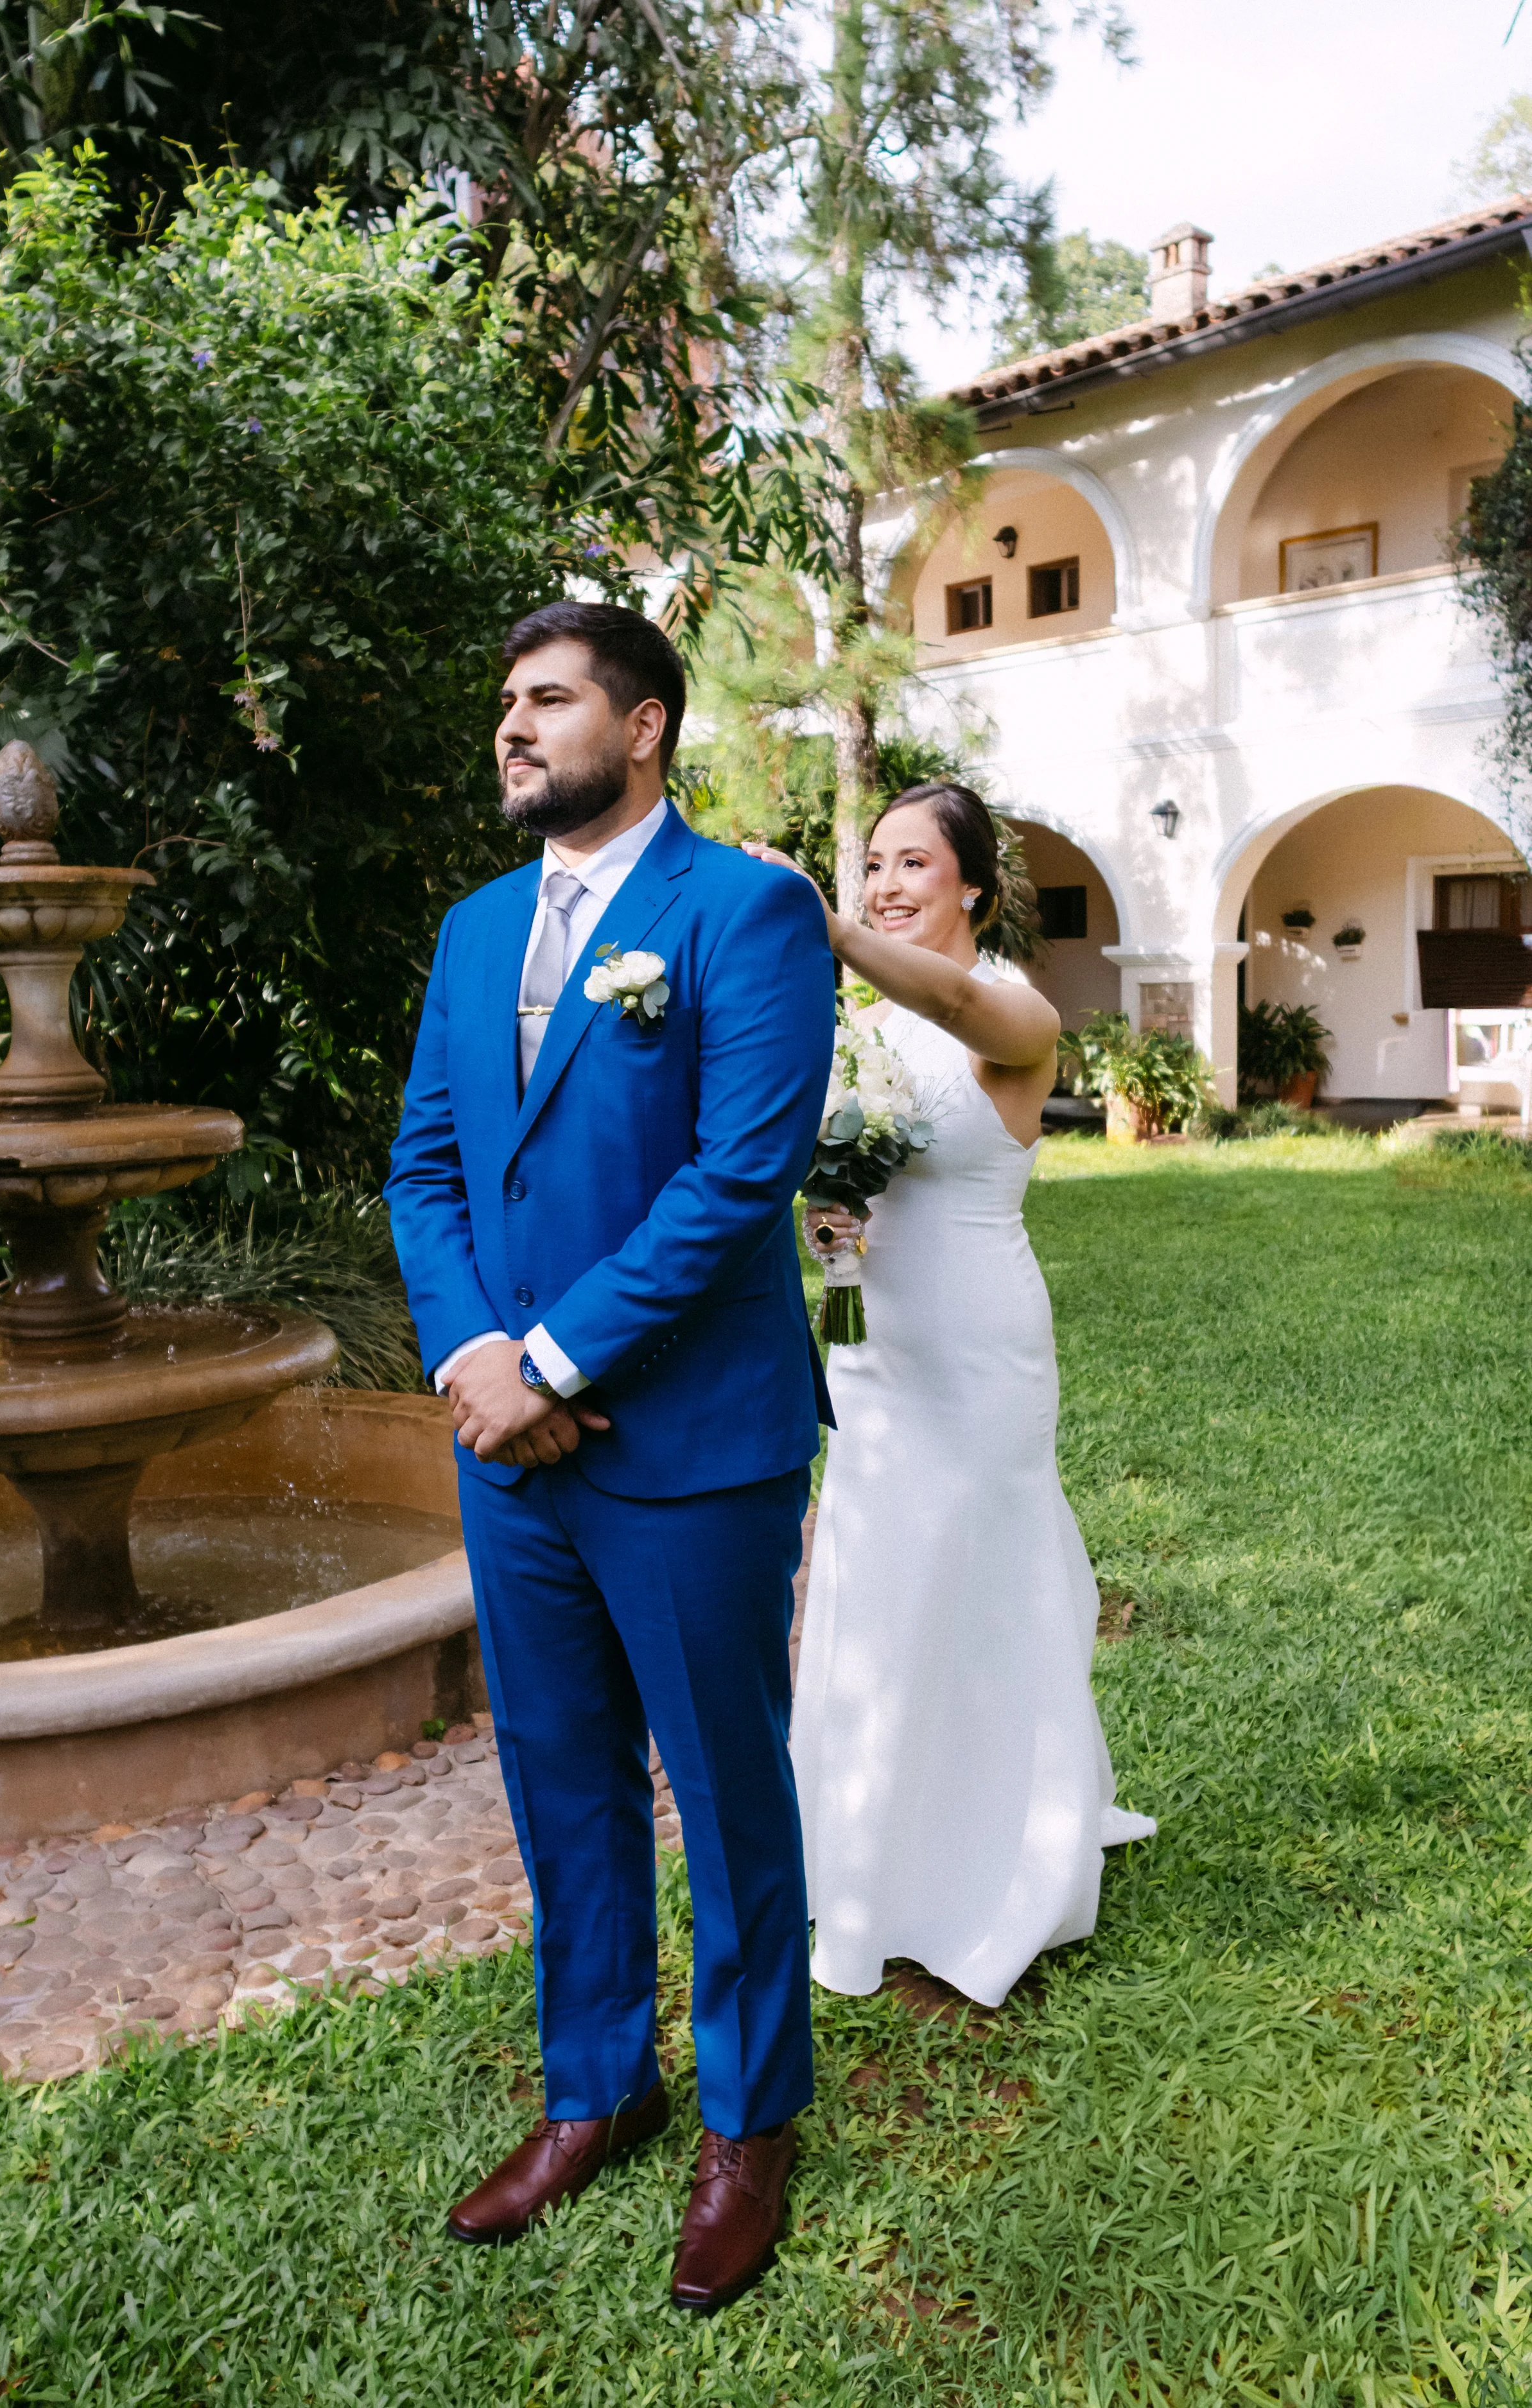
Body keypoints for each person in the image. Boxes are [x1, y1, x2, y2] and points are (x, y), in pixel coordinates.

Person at [385, 602, 835, 2311]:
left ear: (642, 727)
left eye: (550, 698)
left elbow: (738, 1176)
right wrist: (474, 1359)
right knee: (559, 1777)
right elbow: (426, 1169)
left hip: (692, 1443)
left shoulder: (743, 909)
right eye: (505, 699)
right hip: (510, 1450)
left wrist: (556, 1359)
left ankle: (749, 2122)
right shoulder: (472, 927)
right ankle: (597, 2088)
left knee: (725, 1789)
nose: (512, 725)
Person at [746, 785, 1156, 2009]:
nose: (885, 884)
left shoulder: (1012, 1007)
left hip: (979, 1354)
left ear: (972, 884)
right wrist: (830, 1220)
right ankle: (868, 1850)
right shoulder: (860, 1025)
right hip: (872, 1348)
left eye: (912, 863)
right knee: (876, 1583)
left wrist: (830, 931)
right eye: (872, 864)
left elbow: (961, 1006)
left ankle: (998, 1854)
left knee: (972, 1577)